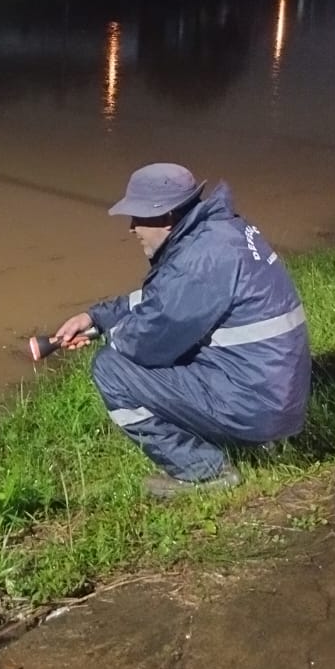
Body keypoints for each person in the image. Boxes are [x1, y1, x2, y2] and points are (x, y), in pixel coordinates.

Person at [53, 163, 311, 498]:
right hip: (274, 393)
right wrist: (97, 318)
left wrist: (108, 337)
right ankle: (260, 444)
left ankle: (205, 472)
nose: (133, 229)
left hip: (258, 405)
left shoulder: (199, 261)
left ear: (166, 217)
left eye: (139, 218)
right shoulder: (219, 234)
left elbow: (143, 344)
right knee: (165, 349)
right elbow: (165, 299)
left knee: (111, 369)